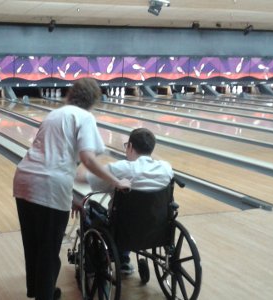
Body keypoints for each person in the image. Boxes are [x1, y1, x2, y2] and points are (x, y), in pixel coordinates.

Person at [13, 78, 131, 300]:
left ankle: (40, 292)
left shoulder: (54, 115)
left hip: (23, 181)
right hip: (48, 186)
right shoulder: (84, 117)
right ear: (93, 100)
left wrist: (69, 199)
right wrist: (116, 182)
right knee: (49, 250)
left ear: (71, 94)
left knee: (34, 245)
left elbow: (53, 160)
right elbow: (87, 158)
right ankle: (44, 296)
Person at [76, 127, 173, 275]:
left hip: (123, 229)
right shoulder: (166, 168)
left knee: (89, 208)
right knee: (131, 216)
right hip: (157, 228)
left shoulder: (120, 168)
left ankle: (91, 263)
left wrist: (88, 160)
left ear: (130, 146)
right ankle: (124, 262)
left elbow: (81, 178)